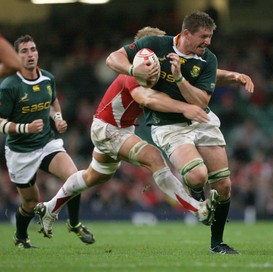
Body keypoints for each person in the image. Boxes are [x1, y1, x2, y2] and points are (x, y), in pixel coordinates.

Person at [34, 27, 219, 240]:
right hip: (109, 130)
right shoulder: (138, 71)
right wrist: (184, 108)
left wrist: (232, 76)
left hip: (117, 128)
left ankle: (49, 208)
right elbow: (146, 99)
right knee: (154, 158)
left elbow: (200, 78)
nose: (168, 50)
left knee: (91, 177)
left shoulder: (158, 71)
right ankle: (198, 209)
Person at [106, 12, 254, 254]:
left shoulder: (208, 59)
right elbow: (113, 59)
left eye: (210, 37)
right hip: (169, 126)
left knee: (224, 184)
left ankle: (217, 243)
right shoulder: (155, 45)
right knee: (198, 177)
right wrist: (134, 71)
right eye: (203, 37)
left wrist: (179, 79)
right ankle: (197, 197)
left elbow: (200, 101)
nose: (208, 42)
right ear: (186, 33)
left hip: (200, 118)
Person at [0, 34, 95, 249]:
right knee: (30, 203)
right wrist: (25, 127)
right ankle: (21, 236)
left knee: (75, 179)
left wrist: (58, 119)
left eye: (32, 49)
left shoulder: (47, 78)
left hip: (46, 143)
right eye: (24, 51)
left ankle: (74, 223)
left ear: (38, 52)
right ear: (16, 56)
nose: (30, 54)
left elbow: (52, 102)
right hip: (20, 151)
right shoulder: (9, 86)